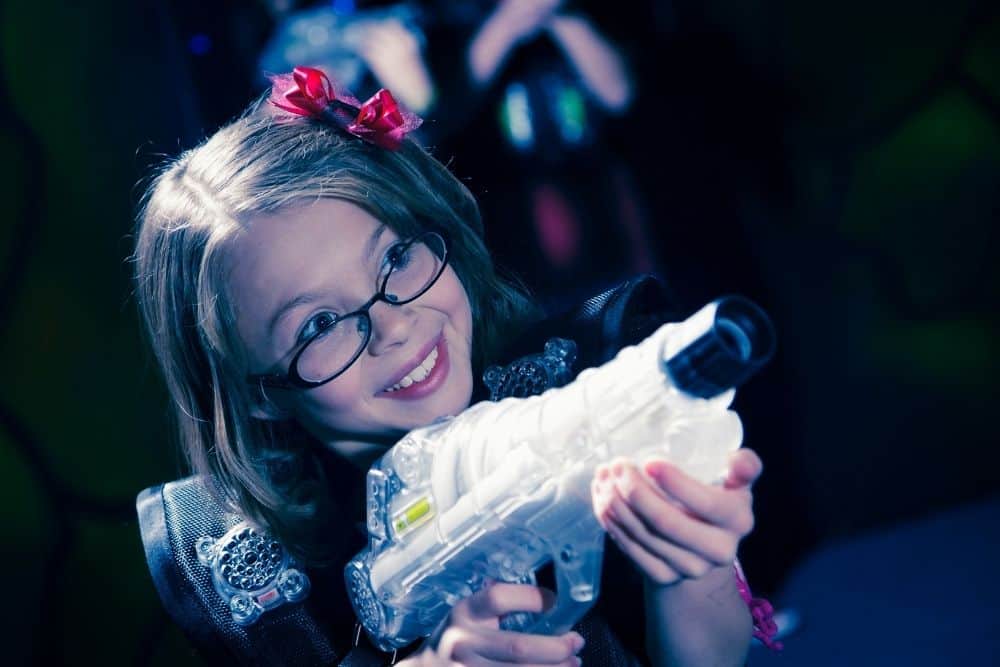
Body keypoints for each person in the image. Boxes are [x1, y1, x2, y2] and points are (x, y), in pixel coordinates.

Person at [134, 65, 771, 666]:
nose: (395, 325)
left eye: (393, 261)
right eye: (319, 325)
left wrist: (693, 569)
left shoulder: (585, 375)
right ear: (255, 393)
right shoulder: (254, 581)